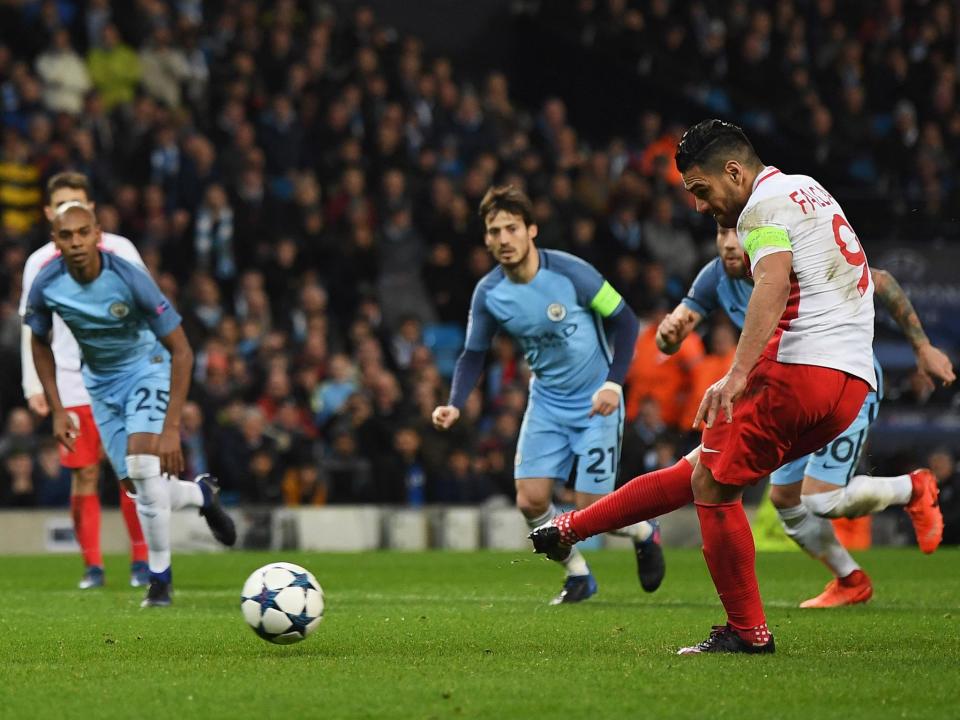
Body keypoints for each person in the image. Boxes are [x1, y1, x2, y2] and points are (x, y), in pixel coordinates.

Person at [533, 119, 941, 653]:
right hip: (849, 385)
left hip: (797, 371)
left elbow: (771, 282)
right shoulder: (807, 188)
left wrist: (738, 372)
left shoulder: (761, 206)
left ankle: (748, 632)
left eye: (701, 191)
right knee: (701, 470)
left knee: (713, 488)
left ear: (733, 171)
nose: (700, 207)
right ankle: (572, 527)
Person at [655, 224, 954, 607]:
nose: (729, 243)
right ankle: (850, 580)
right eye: (720, 233)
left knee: (822, 500)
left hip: (846, 382)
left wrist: (922, 347)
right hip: (789, 395)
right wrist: (668, 334)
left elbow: (880, 280)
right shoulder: (715, 276)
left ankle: (913, 488)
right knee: (785, 499)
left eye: (737, 234)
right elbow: (677, 328)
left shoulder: (795, 263)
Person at [432, 185, 663, 605]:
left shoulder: (573, 274)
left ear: (531, 230)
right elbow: (473, 353)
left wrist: (614, 382)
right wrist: (454, 402)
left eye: (511, 228)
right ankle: (578, 574)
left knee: (596, 511)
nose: (503, 239)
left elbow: (626, 321)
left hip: (597, 401)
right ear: (485, 238)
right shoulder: (489, 294)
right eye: (494, 231)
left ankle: (645, 531)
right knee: (531, 500)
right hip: (547, 404)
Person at [25, 201, 236, 608]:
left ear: (97, 234)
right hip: (99, 385)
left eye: (83, 232)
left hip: (147, 367)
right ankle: (201, 496)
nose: (76, 242)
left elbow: (183, 350)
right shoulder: (47, 283)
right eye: (66, 235)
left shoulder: (128, 277)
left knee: (142, 466)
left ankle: (160, 581)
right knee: (141, 489)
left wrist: (172, 428)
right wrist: (56, 408)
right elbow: (38, 340)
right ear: (56, 241)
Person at [19, 172, 151, 589]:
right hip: (70, 383)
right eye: (60, 206)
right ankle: (93, 566)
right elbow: (32, 331)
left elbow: (148, 308)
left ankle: (141, 561)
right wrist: (34, 386)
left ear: (91, 208)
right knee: (85, 474)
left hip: (122, 379)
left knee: (131, 470)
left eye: (76, 202)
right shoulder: (38, 264)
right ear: (48, 214)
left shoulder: (122, 250)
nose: (69, 211)